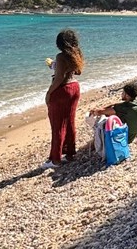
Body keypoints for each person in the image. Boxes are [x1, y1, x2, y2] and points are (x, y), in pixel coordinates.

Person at [43, 28, 84, 169]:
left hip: (63, 91)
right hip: (74, 89)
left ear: (60, 43)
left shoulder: (61, 56)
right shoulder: (77, 54)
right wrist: (54, 66)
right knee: (70, 122)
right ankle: (70, 153)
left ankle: (55, 160)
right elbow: (77, 71)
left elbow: (59, 78)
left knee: (58, 125)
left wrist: (49, 93)